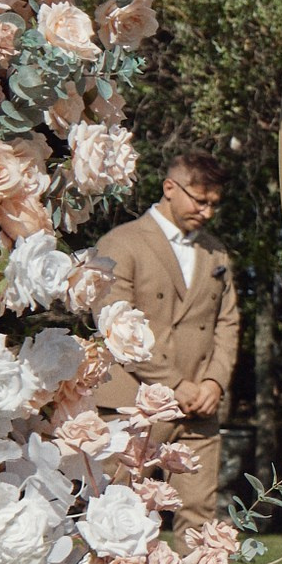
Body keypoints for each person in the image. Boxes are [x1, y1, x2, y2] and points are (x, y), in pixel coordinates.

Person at [93, 149, 239, 533]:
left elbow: (228, 323)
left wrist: (214, 383)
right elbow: (115, 324)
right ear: (170, 188)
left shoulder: (215, 252)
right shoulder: (120, 243)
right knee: (115, 513)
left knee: (199, 520)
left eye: (214, 204)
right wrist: (174, 384)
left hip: (199, 410)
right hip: (134, 404)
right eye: (200, 200)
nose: (207, 212)